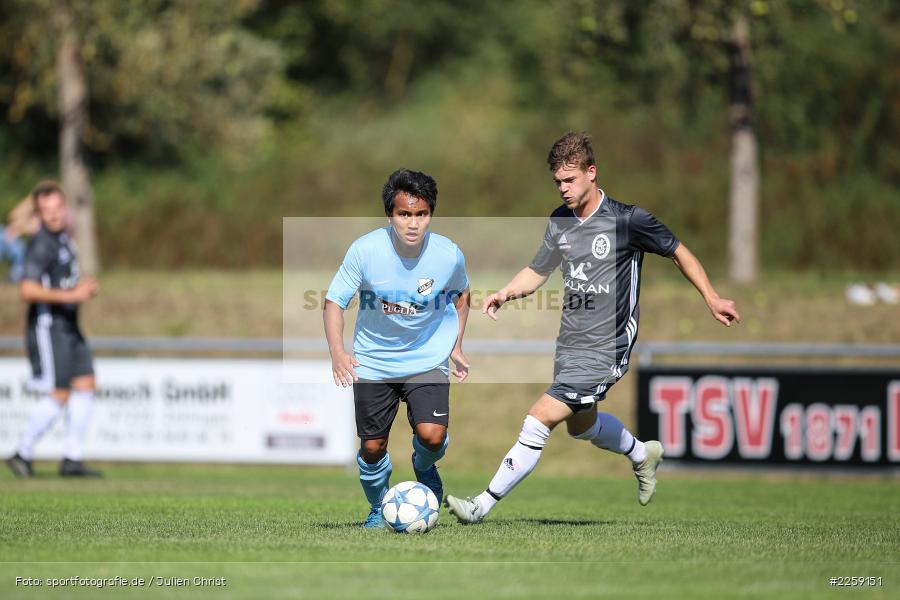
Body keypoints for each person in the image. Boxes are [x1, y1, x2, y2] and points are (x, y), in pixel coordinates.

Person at [445, 132, 740, 523]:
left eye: (570, 180)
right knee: (581, 427)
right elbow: (538, 270)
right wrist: (506, 292)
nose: (563, 188)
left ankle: (481, 505)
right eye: (558, 182)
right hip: (570, 342)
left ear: (592, 172)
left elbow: (678, 252)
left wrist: (712, 298)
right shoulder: (560, 221)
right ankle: (642, 453)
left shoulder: (628, 219)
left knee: (539, 418)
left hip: (608, 345)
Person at [324, 168, 471, 528]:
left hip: (427, 357)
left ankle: (424, 465)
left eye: (422, 214)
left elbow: (462, 295)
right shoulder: (365, 250)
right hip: (374, 362)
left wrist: (455, 346)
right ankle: (379, 507)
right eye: (405, 214)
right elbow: (333, 302)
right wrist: (338, 353)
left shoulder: (448, 255)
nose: (413, 223)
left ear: (430, 215)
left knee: (432, 436)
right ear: (390, 215)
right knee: (372, 447)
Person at [5, 181, 101, 478]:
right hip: (49, 326)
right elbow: (27, 290)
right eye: (47, 210)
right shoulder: (41, 243)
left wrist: (81, 288)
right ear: (39, 214)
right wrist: (71, 295)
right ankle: (22, 453)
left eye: (58, 207)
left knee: (85, 383)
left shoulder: (63, 237)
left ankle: (72, 458)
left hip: (70, 325)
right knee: (60, 393)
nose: (55, 214)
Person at [0, 196, 40, 282]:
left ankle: (14, 277)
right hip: (8, 238)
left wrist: (18, 231)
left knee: (20, 253)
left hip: (26, 252)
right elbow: (12, 217)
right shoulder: (31, 212)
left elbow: (33, 229)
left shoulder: (41, 216)